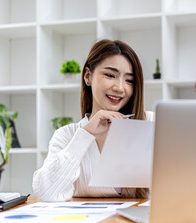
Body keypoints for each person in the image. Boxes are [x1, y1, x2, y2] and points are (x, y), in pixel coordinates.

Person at [33, 39, 154, 201]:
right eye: (110, 75)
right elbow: (48, 192)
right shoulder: (67, 136)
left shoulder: (151, 123)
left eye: (129, 80)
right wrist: (86, 133)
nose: (120, 87)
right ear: (88, 76)